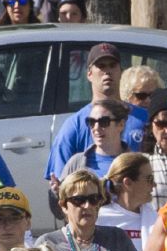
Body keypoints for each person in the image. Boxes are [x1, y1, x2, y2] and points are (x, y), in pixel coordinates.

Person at [43, 42, 138, 187]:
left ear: (121, 71)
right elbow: (60, 186)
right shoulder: (74, 125)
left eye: (112, 65)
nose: (107, 71)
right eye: (101, 66)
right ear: (89, 74)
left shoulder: (142, 118)